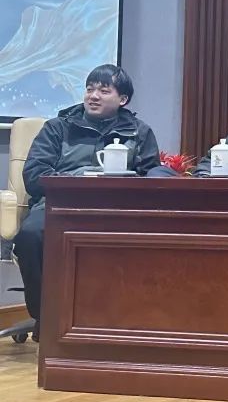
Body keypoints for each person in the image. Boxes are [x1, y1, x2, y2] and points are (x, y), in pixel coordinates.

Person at [14, 64, 161, 337]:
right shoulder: (57, 128)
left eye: (103, 91)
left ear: (122, 99)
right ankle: (45, 316)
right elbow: (34, 176)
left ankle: (125, 319)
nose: (93, 96)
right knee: (30, 235)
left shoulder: (139, 132)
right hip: (59, 205)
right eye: (90, 89)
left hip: (116, 209)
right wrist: (81, 178)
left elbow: (151, 174)